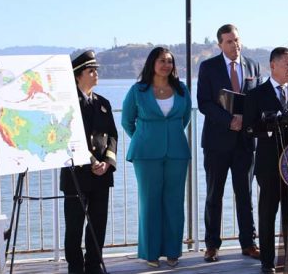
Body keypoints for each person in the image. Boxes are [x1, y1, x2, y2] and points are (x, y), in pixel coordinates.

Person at [244, 47, 288, 273]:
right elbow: (249, 127)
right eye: (286, 64)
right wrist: (268, 128)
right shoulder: (257, 94)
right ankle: (267, 262)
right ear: (272, 66)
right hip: (269, 165)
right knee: (267, 213)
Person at [121, 47, 192, 268]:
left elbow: (185, 117)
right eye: (162, 61)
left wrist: (168, 137)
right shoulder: (138, 90)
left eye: (170, 61)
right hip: (145, 155)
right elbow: (127, 121)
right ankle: (150, 253)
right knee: (149, 203)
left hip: (177, 153)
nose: (166, 65)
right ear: (152, 63)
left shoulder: (181, 89)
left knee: (174, 202)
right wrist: (144, 138)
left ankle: (173, 252)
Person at [197, 24, 262, 262]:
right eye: (229, 42)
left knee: (245, 194)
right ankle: (212, 245)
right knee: (215, 194)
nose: (235, 45)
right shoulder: (208, 67)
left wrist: (245, 120)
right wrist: (229, 120)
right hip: (217, 142)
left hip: (245, 142)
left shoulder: (253, 65)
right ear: (220, 44)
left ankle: (249, 243)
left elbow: (258, 99)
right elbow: (204, 102)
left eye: (237, 40)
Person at [60, 50, 118, 274]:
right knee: (74, 226)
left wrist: (107, 162)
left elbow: (112, 135)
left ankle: (94, 265)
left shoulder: (103, 103)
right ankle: (75, 267)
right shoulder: (68, 105)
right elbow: (67, 136)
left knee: (98, 224)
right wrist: (92, 160)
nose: (95, 74)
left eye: (96, 70)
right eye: (90, 70)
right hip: (77, 175)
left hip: (102, 175)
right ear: (77, 75)